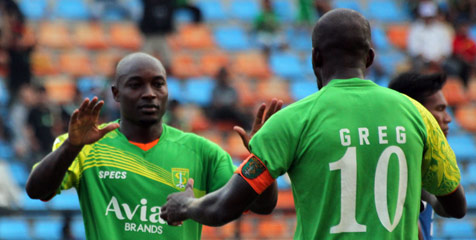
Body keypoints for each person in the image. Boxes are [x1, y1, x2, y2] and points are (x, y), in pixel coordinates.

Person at [160, 9, 466, 240]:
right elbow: (455, 206)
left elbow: (223, 208)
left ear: (315, 58)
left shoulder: (290, 122)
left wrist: (186, 206)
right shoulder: (417, 115)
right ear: (370, 57)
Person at [25, 52, 280, 240]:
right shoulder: (85, 145)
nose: (149, 93)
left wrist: (262, 159)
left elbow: (262, 205)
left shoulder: (203, 152)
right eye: (136, 85)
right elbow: (37, 190)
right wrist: (71, 146)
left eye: (158, 84)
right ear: (115, 93)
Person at [389, 72, 455, 240]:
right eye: (440, 109)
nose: (448, 119)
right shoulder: (395, 170)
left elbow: (446, 207)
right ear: (419, 114)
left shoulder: (421, 169)